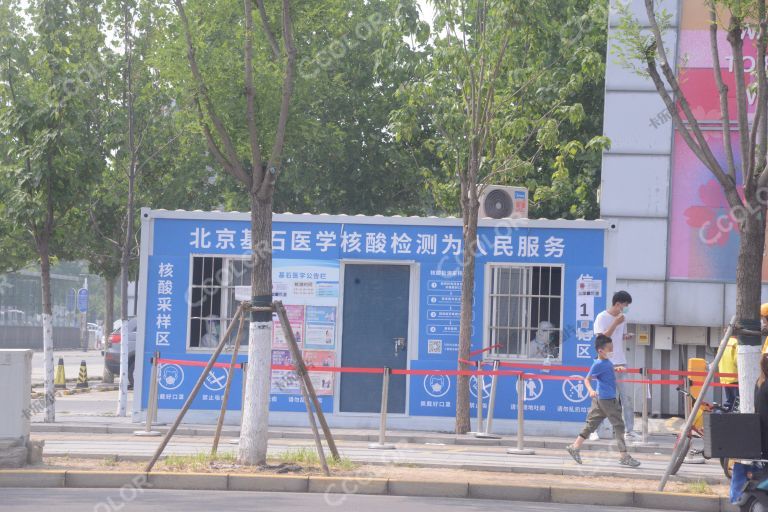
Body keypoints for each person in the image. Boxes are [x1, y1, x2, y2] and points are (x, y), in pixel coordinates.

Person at [566, 334, 641, 468]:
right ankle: (624, 456)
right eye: (610, 349)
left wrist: (616, 368)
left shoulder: (605, 362)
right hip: (607, 400)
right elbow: (587, 379)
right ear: (600, 351)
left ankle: (575, 446)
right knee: (619, 426)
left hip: (600, 400)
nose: (612, 351)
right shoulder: (599, 363)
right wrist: (590, 390)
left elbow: (606, 370)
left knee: (592, 424)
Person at [593, 290, 637, 440]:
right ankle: (595, 430)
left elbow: (618, 337)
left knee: (627, 398)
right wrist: (615, 323)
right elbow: (602, 339)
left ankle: (629, 431)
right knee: (602, 398)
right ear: (618, 304)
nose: (626, 308)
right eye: (625, 305)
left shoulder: (622, 318)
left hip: (620, 361)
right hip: (606, 363)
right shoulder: (602, 317)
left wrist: (626, 336)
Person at [718, 335, 739, 412]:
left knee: (729, 400)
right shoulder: (736, 342)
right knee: (737, 402)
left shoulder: (723, 342)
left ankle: (726, 416)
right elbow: (737, 360)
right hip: (734, 376)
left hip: (724, 375)